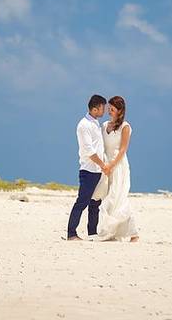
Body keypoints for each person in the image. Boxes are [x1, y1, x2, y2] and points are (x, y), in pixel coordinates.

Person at [95, 95, 139, 242]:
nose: (109, 111)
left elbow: (122, 150)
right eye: (109, 108)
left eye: (112, 109)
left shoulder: (125, 127)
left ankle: (133, 233)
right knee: (107, 197)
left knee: (118, 197)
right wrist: (102, 165)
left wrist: (111, 166)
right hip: (105, 164)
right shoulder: (104, 125)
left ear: (120, 111)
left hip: (118, 166)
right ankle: (112, 231)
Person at [66, 94, 109, 240]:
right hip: (89, 170)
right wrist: (103, 165)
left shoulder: (95, 123)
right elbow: (88, 151)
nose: (105, 110)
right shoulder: (83, 125)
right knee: (82, 202)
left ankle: (92, 233)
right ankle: (71, 233)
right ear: (95, 109)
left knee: (95, 202)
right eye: (103, 108)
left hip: (97, 170)